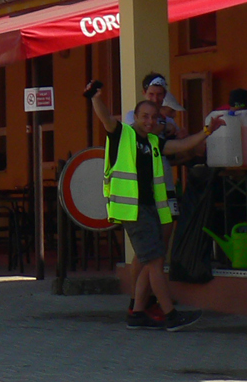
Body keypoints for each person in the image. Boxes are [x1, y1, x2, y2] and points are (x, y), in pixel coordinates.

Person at [87, 79, 207, 332]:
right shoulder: (122, 133)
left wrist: (206, 132)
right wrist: (95, 97)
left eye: (154, 117)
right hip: (132, 209)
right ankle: (170, 315)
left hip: (149, 208)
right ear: (136, 117)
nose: (150, 121)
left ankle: (138, 313)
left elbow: (181, 145)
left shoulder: (153, 142)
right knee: (155, 262)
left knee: (151, 260)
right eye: (145, 117)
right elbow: (105, 118)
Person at [122, 72, 183, 319]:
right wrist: (165, 126)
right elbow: (146, 131)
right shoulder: (135, 116)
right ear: (144, 94)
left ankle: (146, 300)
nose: (156, 99)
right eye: (151, 94)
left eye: (160, 95)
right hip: (145, 192)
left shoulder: (166, 119)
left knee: (160, 247)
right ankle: (137, 301)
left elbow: (177, 144)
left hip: (165, 185)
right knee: (148, 252)